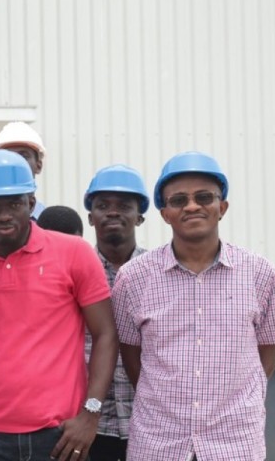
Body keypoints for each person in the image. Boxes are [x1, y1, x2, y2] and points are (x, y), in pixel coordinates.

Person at [112, 152, 275, 461]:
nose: (192, 206)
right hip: (159, 443)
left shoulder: (261, 274)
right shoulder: (133, 278)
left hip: (234, 441)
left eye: (204, 197)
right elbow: (131, 355)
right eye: (179, 200)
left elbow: (267, 353)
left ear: (222, 207)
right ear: (165, 213)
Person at [0, 151, 116, 461]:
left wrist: (91, 414)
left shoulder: (74, 253)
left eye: (14, 204)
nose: (4, 215)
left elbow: (105, 334)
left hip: (61, 436)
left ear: (32, 204)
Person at [79, 165, 150, 461]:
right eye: (103, 206)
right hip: (87, 424)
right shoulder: (74, 270)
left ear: (140, 217)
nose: (112, 212)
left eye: (124, 206)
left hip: (149, 423)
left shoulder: (158, 272)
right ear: (90, 216)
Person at [0, 122, 47, 219]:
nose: (15, 162)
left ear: (38, 166)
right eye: (6, 156)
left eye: (23, 156)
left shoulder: (51, 223)